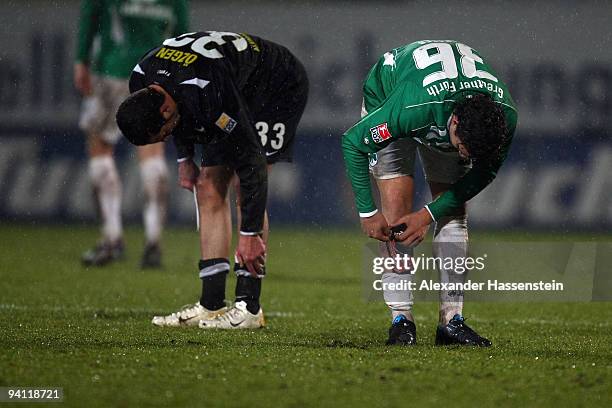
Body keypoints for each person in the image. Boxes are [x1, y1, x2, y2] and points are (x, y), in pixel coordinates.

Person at [116, 31, 308, 329]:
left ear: (165, 110)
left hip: (275, 85)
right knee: (208, 186)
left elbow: (252, 163)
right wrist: (184, 159)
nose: (166, 137)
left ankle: (249, 308)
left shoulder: (206, 91)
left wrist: (249, 236)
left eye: (163, 134)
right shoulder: (141, 79)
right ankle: (212, 305)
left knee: (244, 187)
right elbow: (177, 117)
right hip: (231, 85)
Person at [342, 40, 518, 346]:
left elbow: (483, 173)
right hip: (391, 92)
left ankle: (452, 321)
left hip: (439, 108)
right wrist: (368, 212)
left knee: (453, 214)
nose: (464, 155)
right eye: (462, 147)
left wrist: (427, 214)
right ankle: (401, 319)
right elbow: (353, 143)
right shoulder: (410, 108)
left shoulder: (503, 119)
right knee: (396, 212)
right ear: (456, 122)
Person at [74, 0, 189, 268]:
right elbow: (182, 33)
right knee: (152, 151)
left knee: (100, 146)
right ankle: (153, 242)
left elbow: (90, 15)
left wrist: (81, 59)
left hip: (113, 68)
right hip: (155, 73)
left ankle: (112, 238)